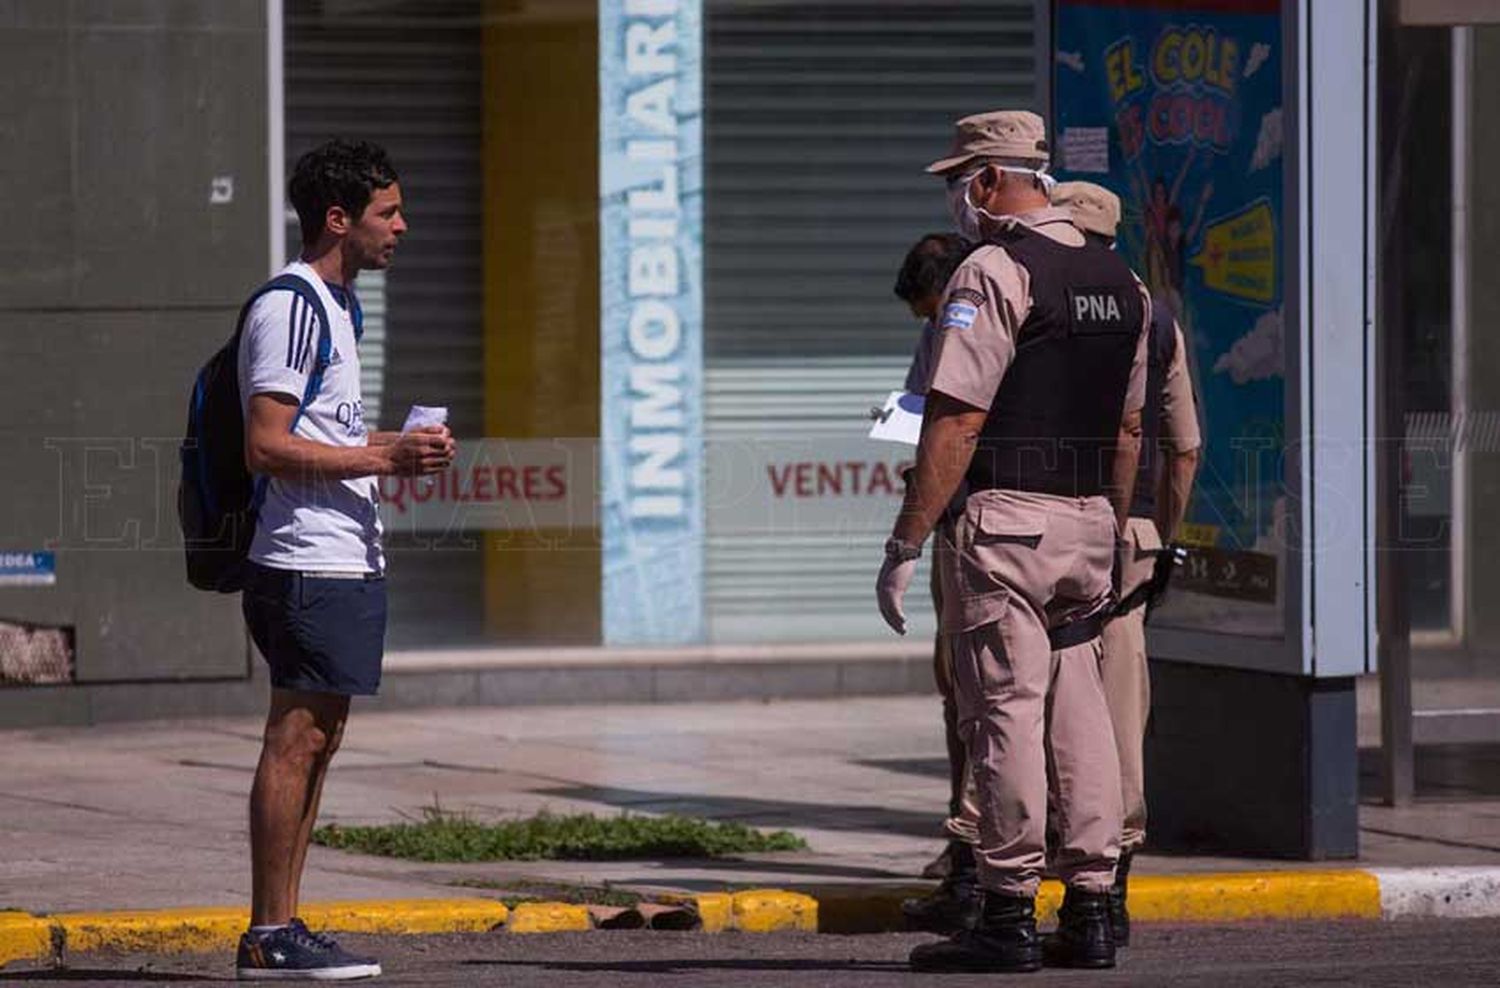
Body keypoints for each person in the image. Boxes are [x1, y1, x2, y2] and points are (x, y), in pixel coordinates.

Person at [876, 110, 1150, 973]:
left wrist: (907, 539)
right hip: (1087, 524)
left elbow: (955, 420)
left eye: (961, 181)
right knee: (1084, 720)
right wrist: (1107, 519)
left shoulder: (995, 271)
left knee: (1005, 716)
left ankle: (1004, 911)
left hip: (1007, 528)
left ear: (991, 180)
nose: (959, 200)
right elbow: (1132, 425)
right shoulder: (1121, 278)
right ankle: (1096, 906)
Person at [235, 139, 455, 981]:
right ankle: (267, 931)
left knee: (321, 740)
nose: (403, 225)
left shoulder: (341, 307)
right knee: (295, 740)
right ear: (339, 219)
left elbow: (322, 436)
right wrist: (383, 463)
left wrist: (395, 444)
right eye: (387, 212)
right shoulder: (290, 308)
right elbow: (266, 446)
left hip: (343, 557)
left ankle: (283, 926)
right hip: (303, 562)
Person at [1053, 181, 1202, 946]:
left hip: (1050, 528)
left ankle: (1048, 889)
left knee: (1040, 714)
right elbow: (1185, 448)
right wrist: (1158, 538)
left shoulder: (1045, 297)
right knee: (1118, 719)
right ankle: (1110, 897)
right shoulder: (1158, 317)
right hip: (1134, 538)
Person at [890, 234, 987, 931]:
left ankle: (979, 861)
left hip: (984, 527)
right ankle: (968, 849)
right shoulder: (943, 331)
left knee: (989, 698)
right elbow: (922, 419)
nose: (932, 327)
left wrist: (905, 544)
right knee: (960, 692)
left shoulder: (982, 316)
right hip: (953, 521)